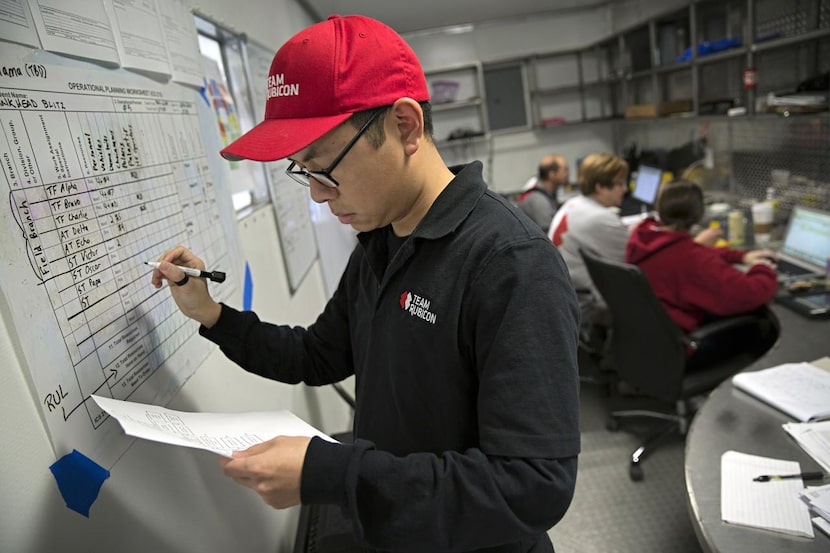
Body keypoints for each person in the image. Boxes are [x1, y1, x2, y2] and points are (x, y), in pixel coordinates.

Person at [150, 15, 580, 553]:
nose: (315, 195)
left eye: (323, 169)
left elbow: (534, 487)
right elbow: (317, 354)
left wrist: (335, 474)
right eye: (300, 171)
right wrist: (211, 315)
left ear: (405, 126)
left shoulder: (510, 264)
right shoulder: (382, 241)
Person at [626, 179, 778, 336]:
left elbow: (683, 251)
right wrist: (763, 268)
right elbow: (749, 294)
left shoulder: (642, 238)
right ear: (699, 215)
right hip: (681, 342)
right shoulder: (691, 258)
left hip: (651, 335)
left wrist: (741, 257)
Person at [547, 153, 629, 340]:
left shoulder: (573, 204)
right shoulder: (601, 219)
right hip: (591, 306)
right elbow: (637, 258)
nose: (625, 189)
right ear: (600, 187)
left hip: (567, 300)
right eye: (619, 184)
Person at [517, 154, 569, 230]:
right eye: (565, 170)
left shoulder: (546, 194)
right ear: (552, 174)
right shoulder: (539, 200)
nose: (567, 174)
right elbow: (549, 234)